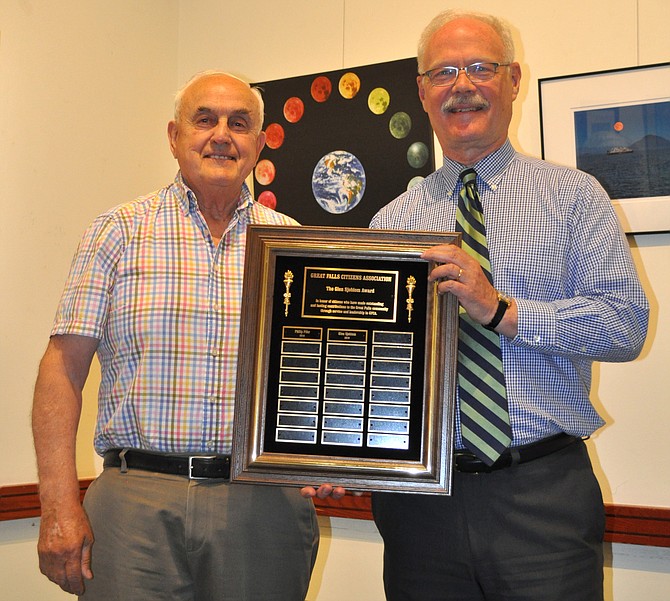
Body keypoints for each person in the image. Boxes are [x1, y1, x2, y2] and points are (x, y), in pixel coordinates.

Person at [365, 10, 648, 601]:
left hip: (542, 496)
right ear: (421, 92)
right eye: (443, 72)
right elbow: (377, 369)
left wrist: (501, 310)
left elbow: (626, 327)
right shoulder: (392, 223)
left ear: (513, 80)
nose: (461, 85)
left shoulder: (573, 196)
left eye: (479, 68)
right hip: (420, 504)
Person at [32, 71, 329, 600]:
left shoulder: (294, 244)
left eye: (239, 123)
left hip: (262, 508)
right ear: (174, 137)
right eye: (205, 120)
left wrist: (329, 453)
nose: (222, 135)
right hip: (134, 506)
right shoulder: (117, 231)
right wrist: (56, 504)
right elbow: (61, 370)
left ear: (259, 144)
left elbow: (323, 375)